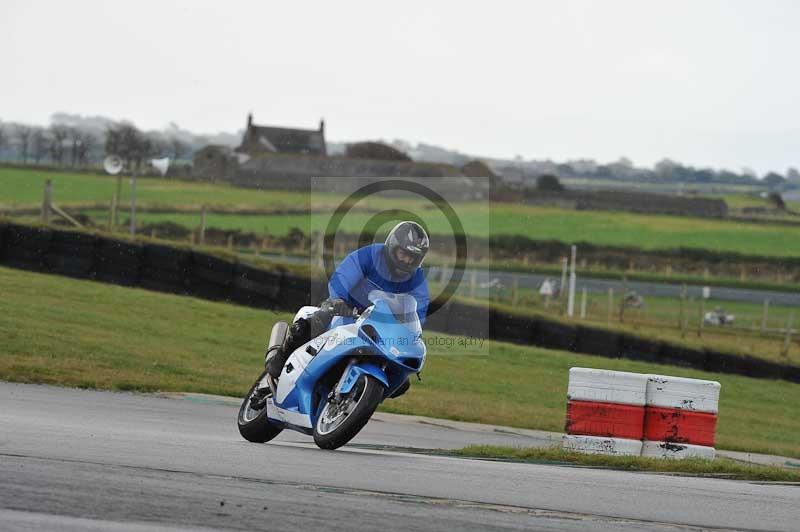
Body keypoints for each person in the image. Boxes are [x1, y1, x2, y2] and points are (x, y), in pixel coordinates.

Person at [264, 221, 430, 395]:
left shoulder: (417, 280)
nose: (406, 260)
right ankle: (281, 356)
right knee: (310, 325)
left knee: (401, 379)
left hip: (379, 326)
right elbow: (344, 275)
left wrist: (410, 331)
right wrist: (339, 300)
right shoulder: (371, 255)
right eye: (403, 254)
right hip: (346, 309)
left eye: (412, 257)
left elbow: (418, 311)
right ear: (392, 246)